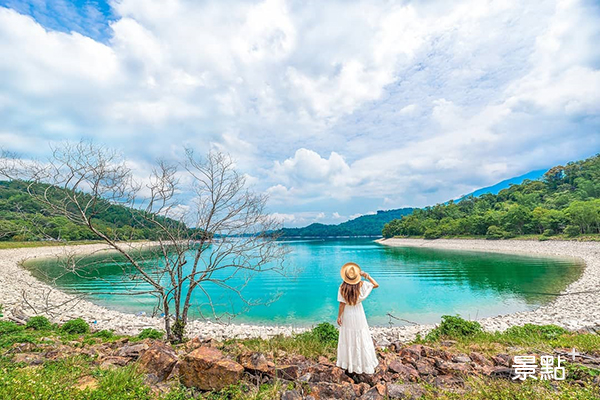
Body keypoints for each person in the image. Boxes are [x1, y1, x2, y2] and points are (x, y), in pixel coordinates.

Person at [336, 262, 379, 374]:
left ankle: (349, 363)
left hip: (348, 313)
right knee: (360, 335)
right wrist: (367, 276)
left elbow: (342, 304)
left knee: (348, 337)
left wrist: (339, 317)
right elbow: (375, 284)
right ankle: (362, 363)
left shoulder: (342, 287)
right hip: (358, 313)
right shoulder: (362, 285)